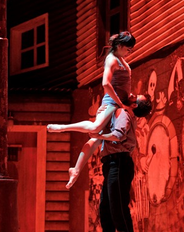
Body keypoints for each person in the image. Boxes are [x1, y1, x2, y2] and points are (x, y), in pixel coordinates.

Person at [47, 31, 135, 189]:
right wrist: (120, 103)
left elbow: (122, 83)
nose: (130, 52)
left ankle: (76, 169)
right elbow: (106, 84)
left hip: (119, 101)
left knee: (96, 139)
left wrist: (127, 96)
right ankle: (62, 128)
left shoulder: (121, 59)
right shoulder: (112, 59)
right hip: (112, 102)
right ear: (120, 46)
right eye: (128, 49)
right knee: (95, 129)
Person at [89, 93, 152, 232]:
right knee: (106, 207)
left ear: (135, 105)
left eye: (135, 97)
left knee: (118, 206)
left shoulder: (124, 113)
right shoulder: (119, 111)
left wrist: (98, 136)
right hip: (111, 164)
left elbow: (118, 135)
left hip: (119, 163)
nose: (130, 94)